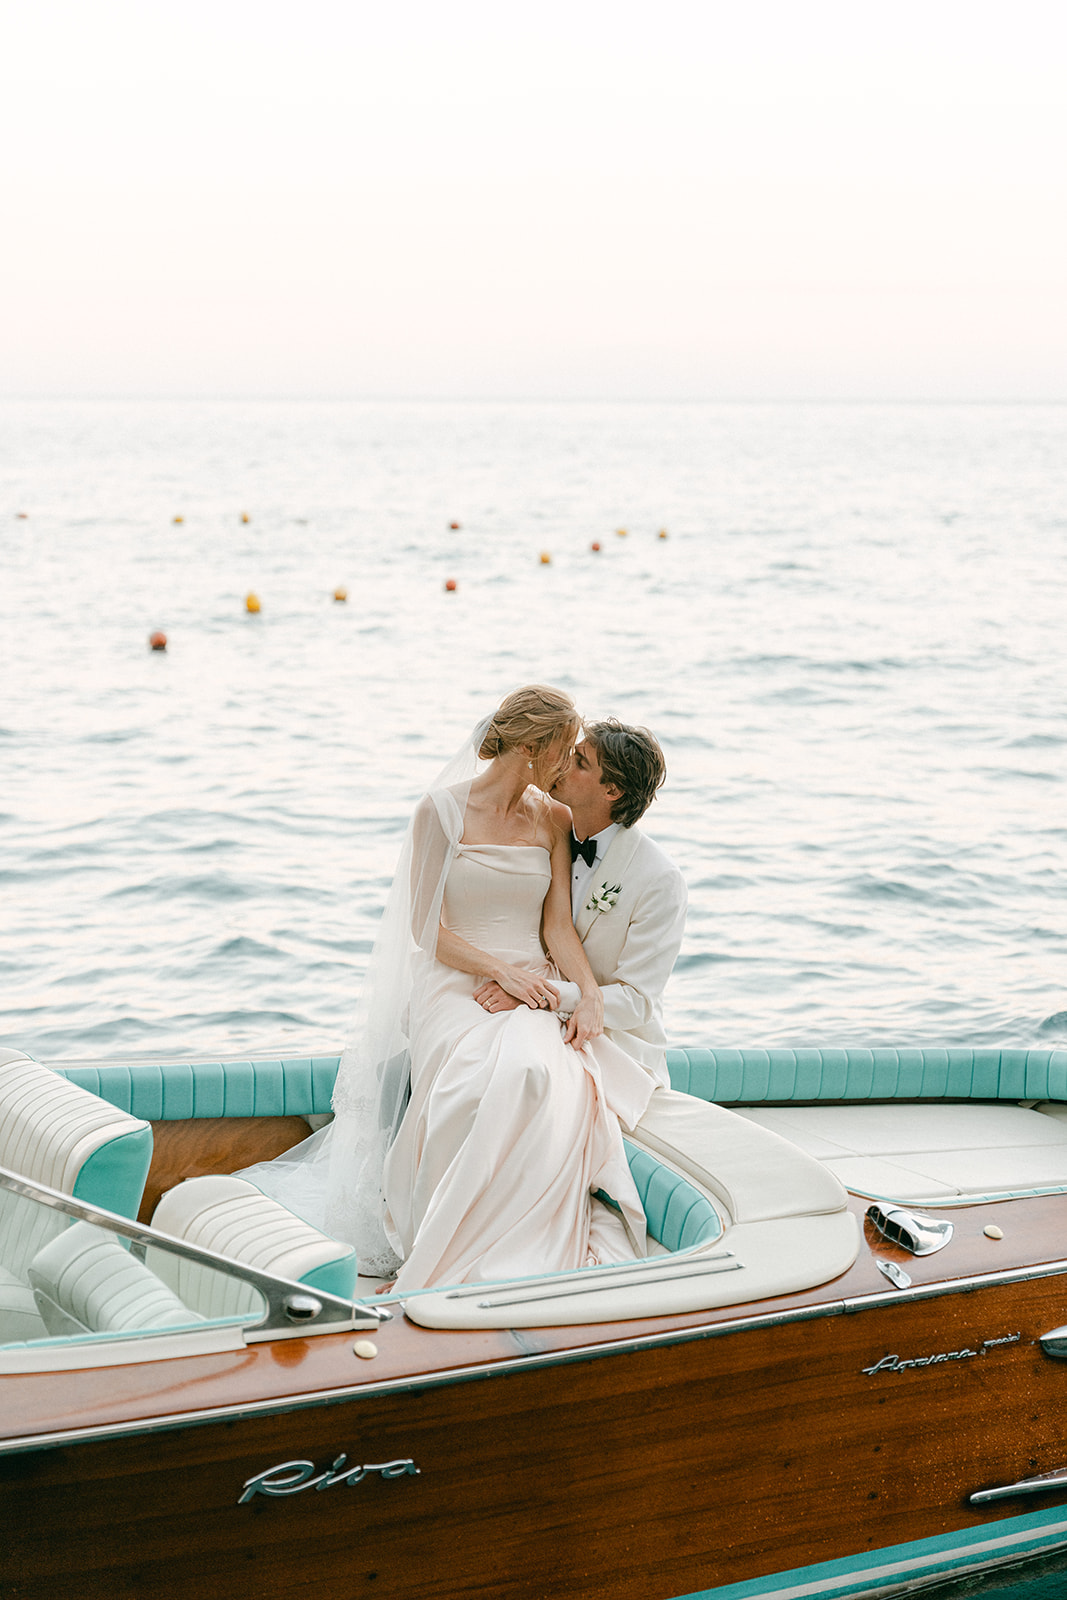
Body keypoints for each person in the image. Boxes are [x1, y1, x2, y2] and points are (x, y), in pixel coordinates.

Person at [240, 687, 662, 1292]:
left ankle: (521, 1238)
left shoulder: (554, 818)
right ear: (529, 746)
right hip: (453, 978)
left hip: (528, 978)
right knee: (471, 1082)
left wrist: (585, 993)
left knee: (541, 1073)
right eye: (563, 750)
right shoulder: (438, 812)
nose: (567, 765)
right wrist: (499, 970)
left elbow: (557, 926)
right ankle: (445, 1241)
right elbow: (425, 928)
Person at [472, 719, 687, 1094]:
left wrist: (537, 996)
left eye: (580, 762)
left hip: (609, 1038)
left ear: (613, 790)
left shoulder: (659, 880)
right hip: (519, 1006)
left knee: (524, 1081)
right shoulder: (542, 831)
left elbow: (637, 1001)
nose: (562, 763)